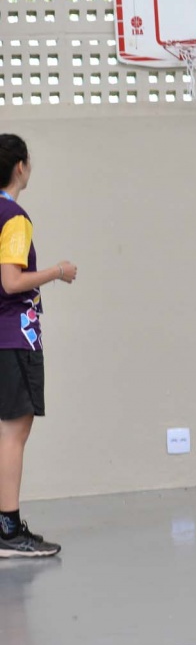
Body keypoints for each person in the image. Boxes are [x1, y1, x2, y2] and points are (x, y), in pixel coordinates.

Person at [0, 134, 76, 559]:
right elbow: (11, 282)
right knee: (14, 432)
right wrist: (57, 270)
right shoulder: (14, 217)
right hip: (13, 335)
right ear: (20, 168)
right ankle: (8, 531)